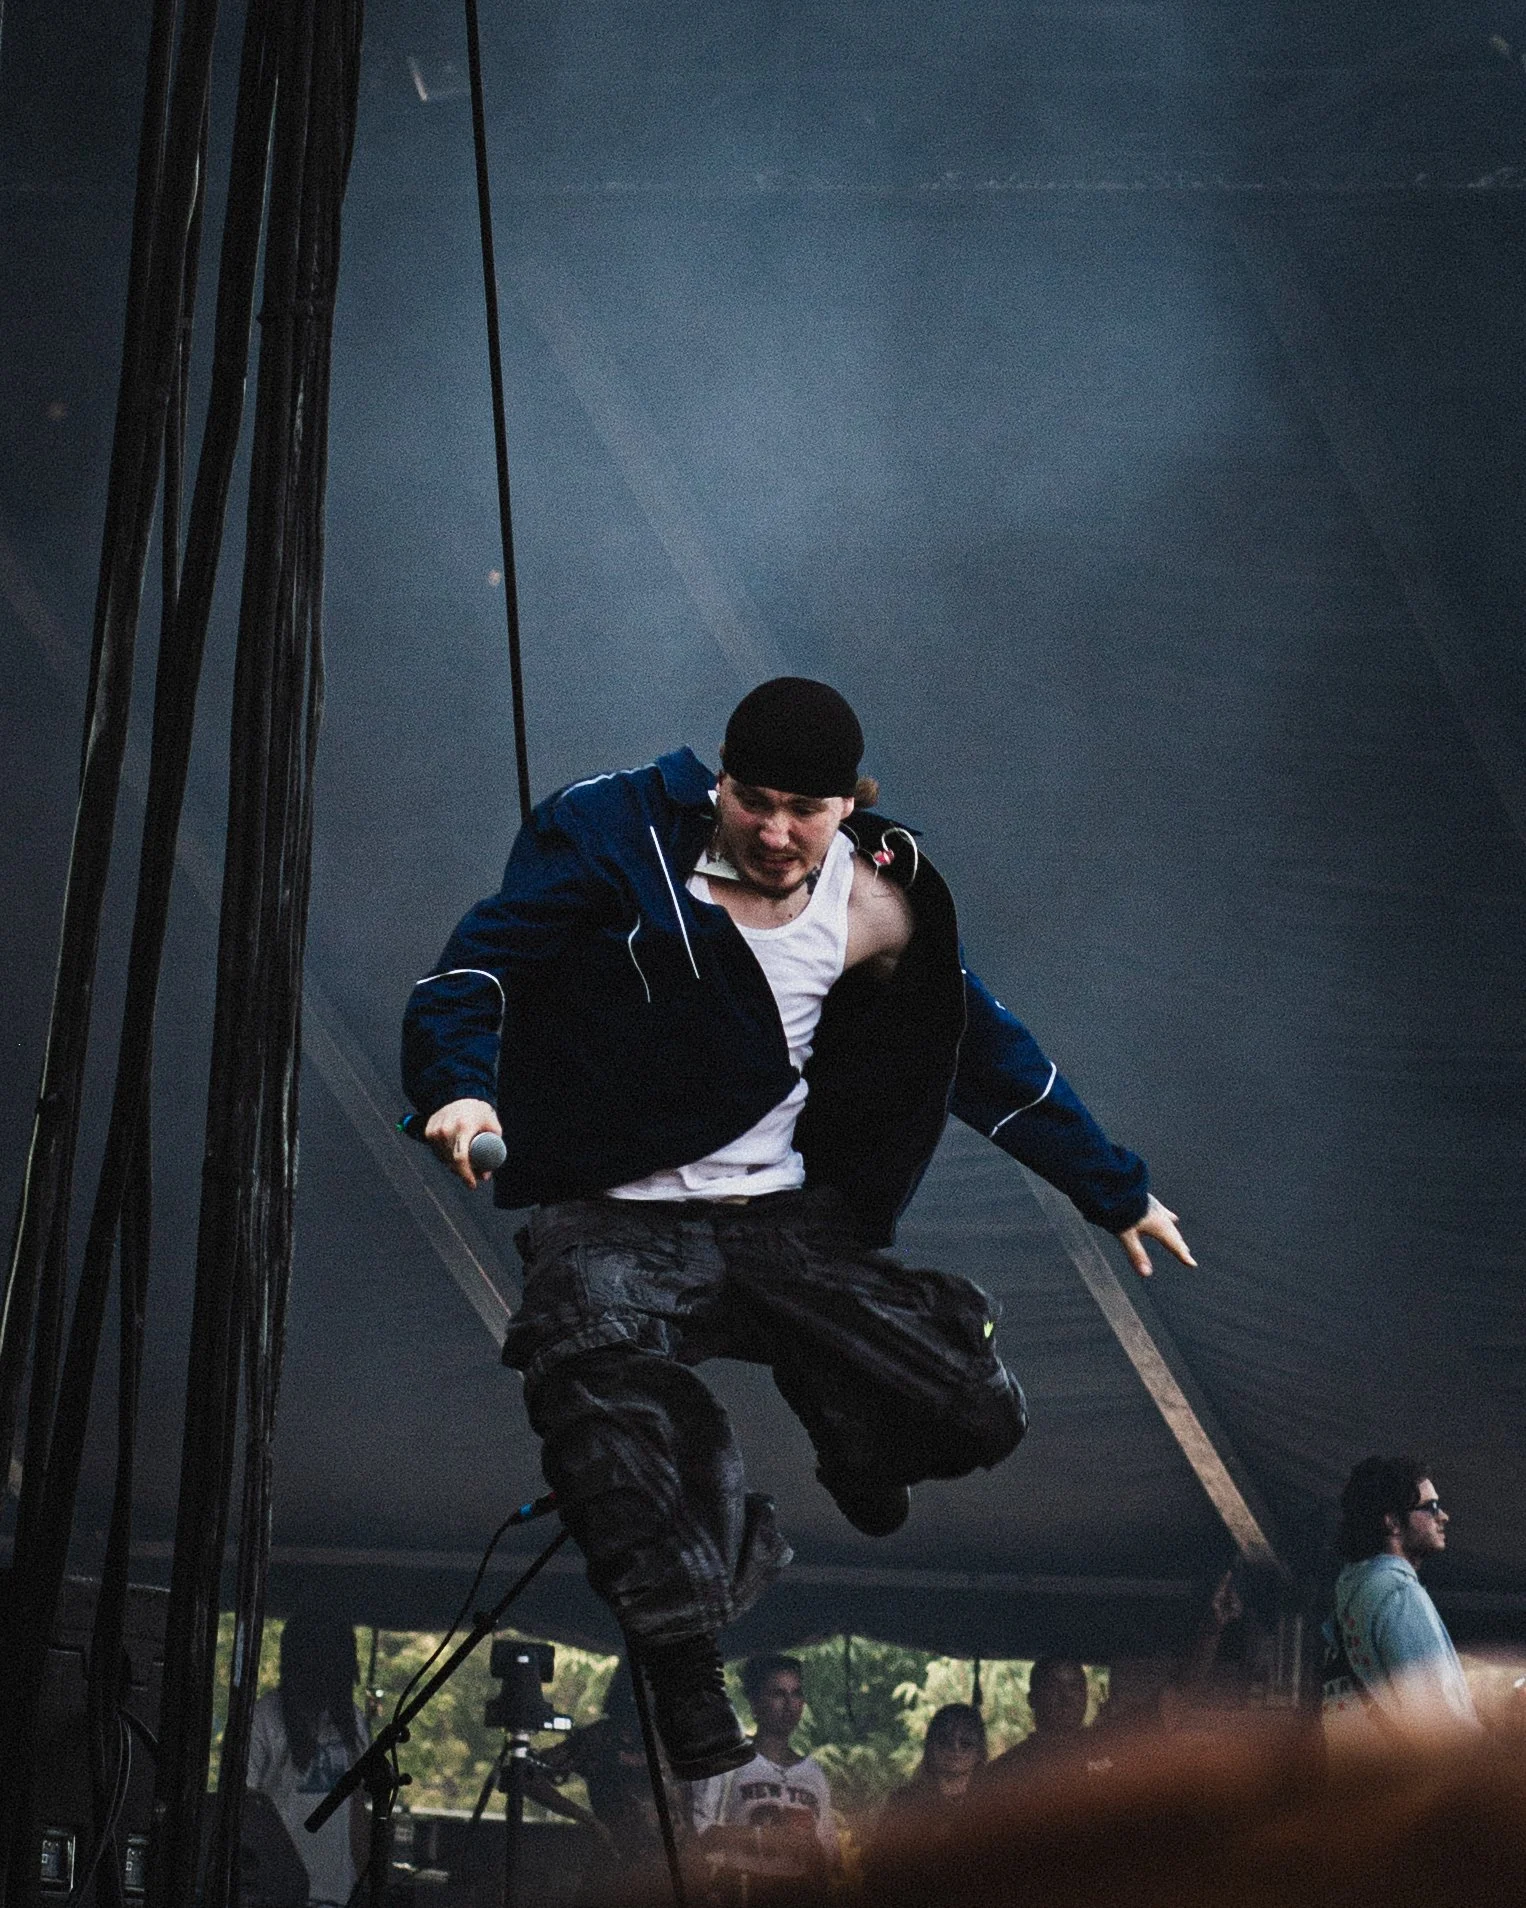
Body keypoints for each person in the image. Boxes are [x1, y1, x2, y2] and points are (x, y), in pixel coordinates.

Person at [402, 677, 1194, 1778]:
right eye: (754, 803)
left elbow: (980, 1048)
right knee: (600, 1404)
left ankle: (853, 1435)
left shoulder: (880, 899)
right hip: (617, 1221)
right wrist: (459, 1087)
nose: (774, 834)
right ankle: (684, 1665)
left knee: (973, 1406)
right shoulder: (615, 832)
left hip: (779, 1223)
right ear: (719, 783)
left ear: (848, 805)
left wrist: (1113, 1188)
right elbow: (479, 960)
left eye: (803, 812)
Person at [1321, 1455, 1479, 1737]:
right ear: (1392, 1522)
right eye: (1430, 1507)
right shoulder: (1399, 1595)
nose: (1443, 1516)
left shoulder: (1353, 1594)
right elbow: (1443, 1727)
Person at [246, 1607, 371, 1908]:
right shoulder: (262, 1719)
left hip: (337, 1897)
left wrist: (366, 1884)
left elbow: (356, 1810)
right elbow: (245, 1810)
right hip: (278, 1897)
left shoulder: (352, 1721)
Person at [687, 1656, 838, 1888]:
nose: (789, 1704)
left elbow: (830, 1854)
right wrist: (763, 1837)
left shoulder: (813, 1772)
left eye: (796, 1693)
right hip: (744, 1890)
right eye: (778, 1694)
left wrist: (809, 1845)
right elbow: (699, 1832)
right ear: (755, 1703)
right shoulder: (728, 1760)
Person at [978, 1658, 1093, 1787]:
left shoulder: (1106, 1753)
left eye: (1075, 1687)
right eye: (1053, 1687)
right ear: (1032, 1699)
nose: (1067, 1696)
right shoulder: (1005, 1771)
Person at [879, 1702, 988, 1821]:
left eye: (966, 1743)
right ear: (931, 1746)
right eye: (945, 1740)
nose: (955, 1748)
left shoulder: (991, 1801)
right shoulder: (902, 1803)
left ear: (979, 1750)